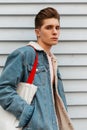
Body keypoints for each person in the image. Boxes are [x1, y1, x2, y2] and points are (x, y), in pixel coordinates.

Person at [0, 7, 74, 130]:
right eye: (49, 27)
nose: (55, 32)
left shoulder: (52, 60)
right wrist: (28, 113)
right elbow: (3, 89)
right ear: (37, 32)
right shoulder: (24, 54)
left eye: (57, 27)